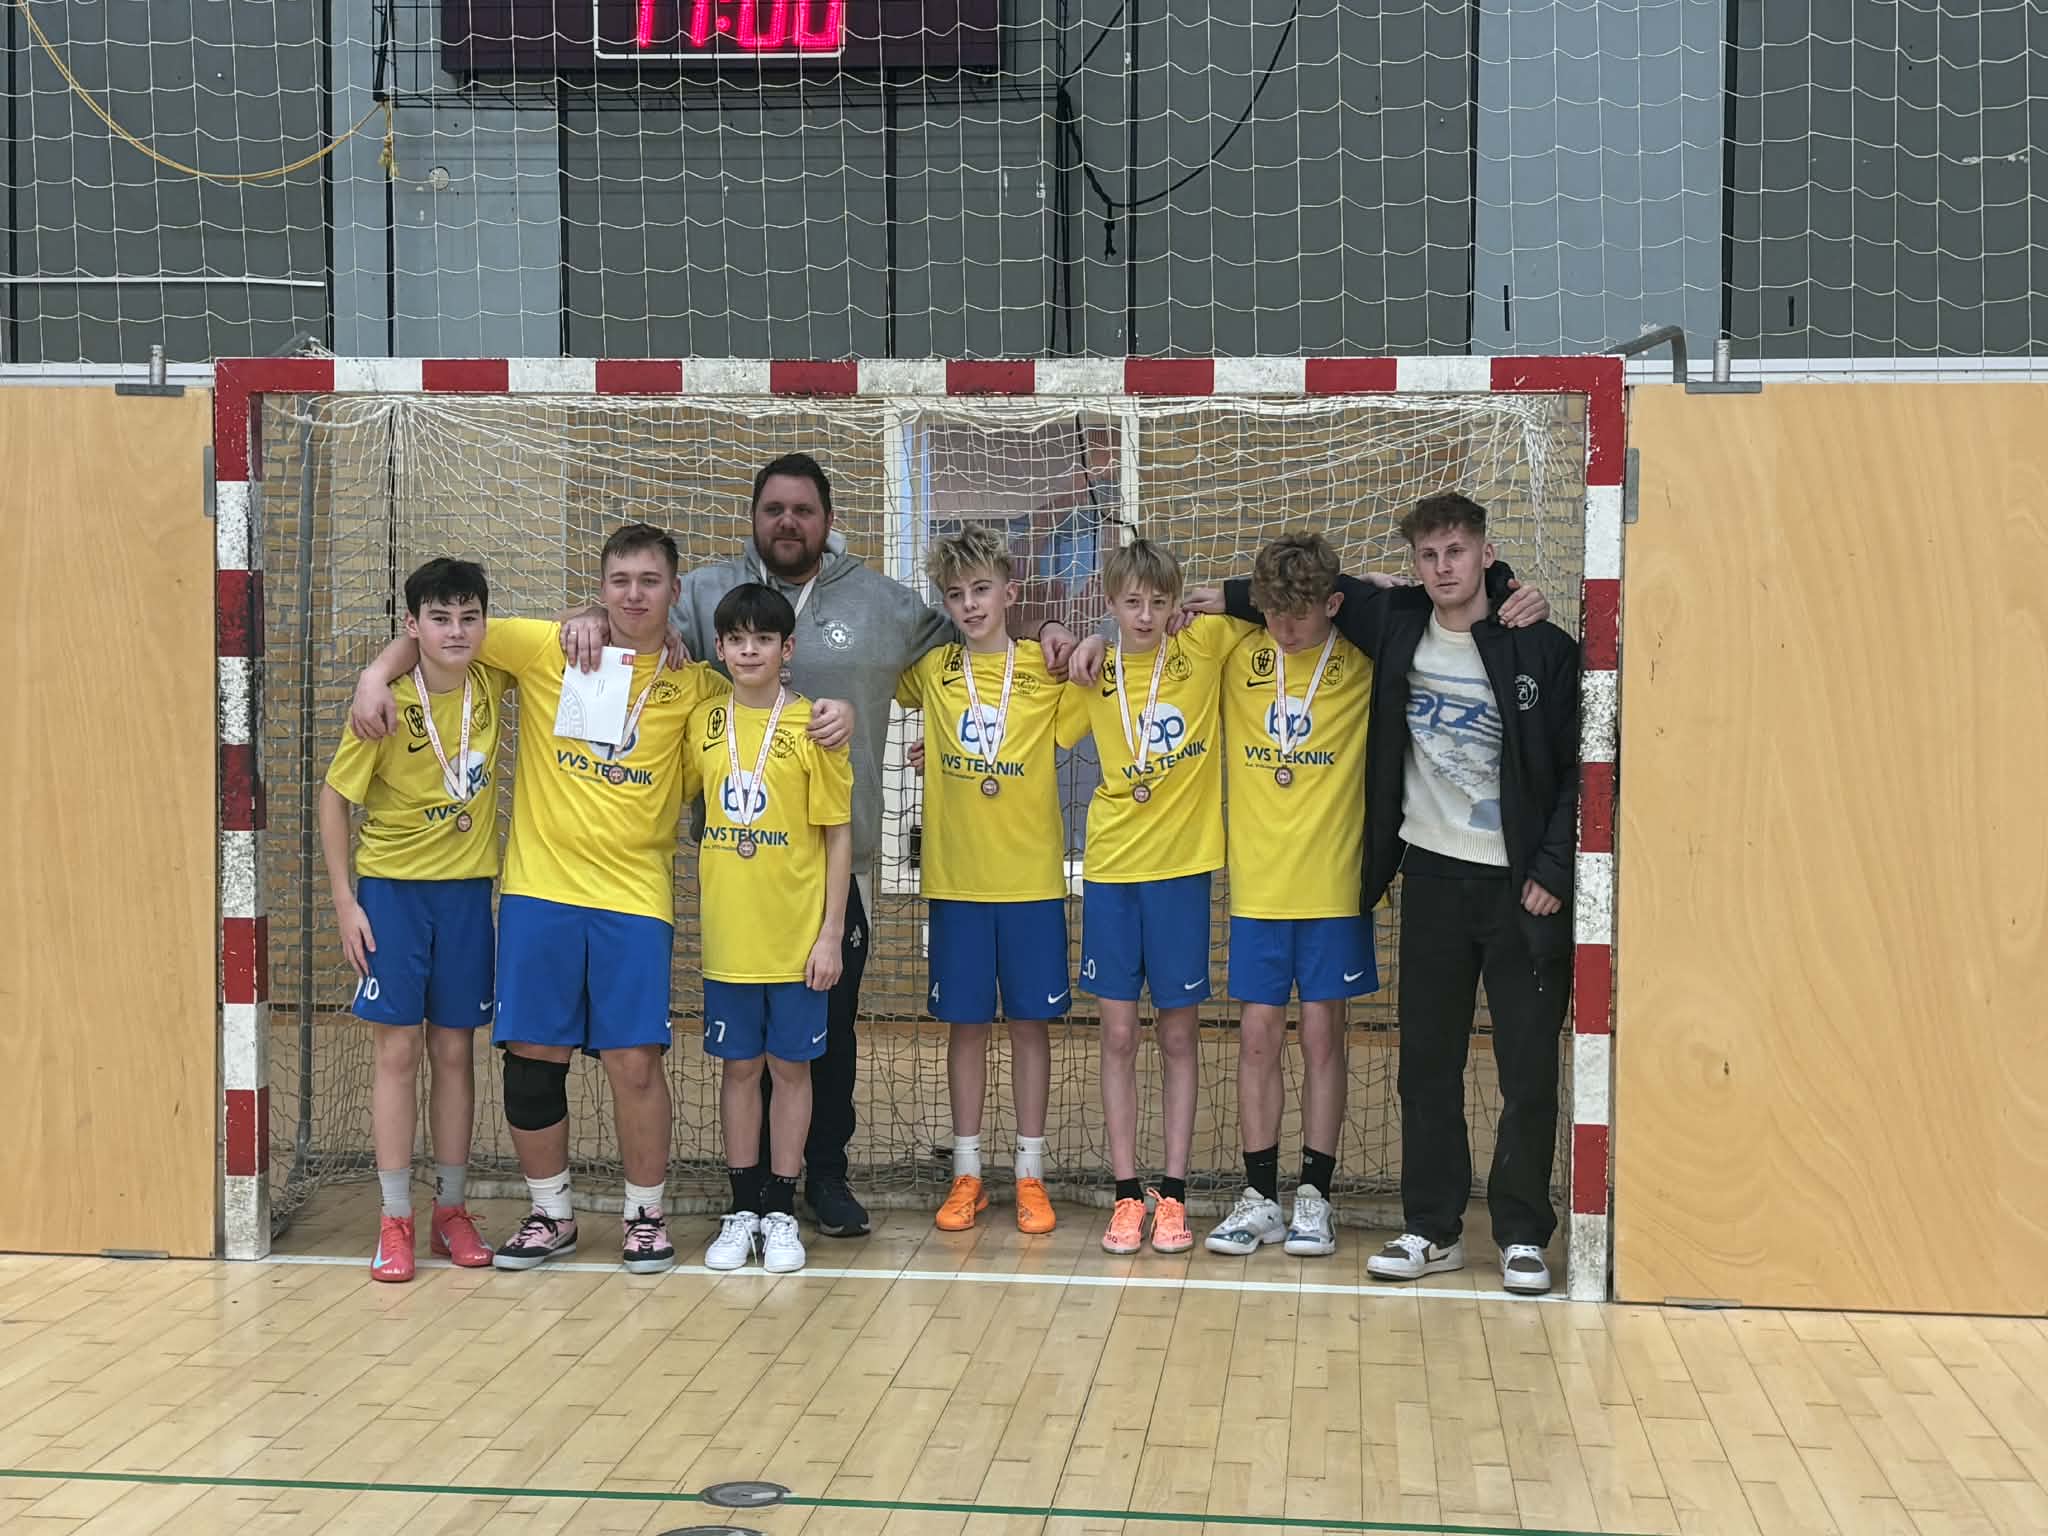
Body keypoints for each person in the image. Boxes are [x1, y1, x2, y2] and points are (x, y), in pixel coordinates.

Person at [564, 452, 1079, 1238]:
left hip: (845, 857)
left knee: (828, 1028)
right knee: (752, 1042)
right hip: (743, 861)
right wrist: (592, 617)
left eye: (802, 510)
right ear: (753, 517)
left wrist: (1049, 629)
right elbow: (638, 613)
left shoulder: (883, 601)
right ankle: (755, 1192)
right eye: (773, 509)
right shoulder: (704, 593)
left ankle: (824, 1177)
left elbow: (977, 631)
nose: (787, 523)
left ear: (829, 520)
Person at [347, 524, 830, 1274]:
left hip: (635, 899)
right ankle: (552, 1214)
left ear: (674, 592)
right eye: (619, 582)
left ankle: (645, 1216)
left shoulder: (698, 685)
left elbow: (768, 707)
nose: (634, 595)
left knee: (634, 1063)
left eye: (649, 581)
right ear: (599, 589)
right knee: (532, 1060)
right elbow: (444, 635)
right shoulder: (549, 647)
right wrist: (374, 676)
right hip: (539, 892)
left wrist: (839, 714)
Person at [1210, 493, 1579, 1295]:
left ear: (1486, 554)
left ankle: (1521, 1233)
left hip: (1522, 888)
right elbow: (1298, 592)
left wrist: (1553, 872)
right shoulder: (1397, 623)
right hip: (1432, 875)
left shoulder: (1542, 645)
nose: (1442, 568)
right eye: (1428, 555)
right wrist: (1201, 600)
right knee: (1427, 1067)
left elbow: (1575, 769)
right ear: (1414, 564)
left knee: (1525, 1069)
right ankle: (1433, 1229)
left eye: (1456, 551)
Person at [317, 558, 504, 1282]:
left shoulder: (493, 678)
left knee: (455, 1053)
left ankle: (450, 1210)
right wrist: (346, 901)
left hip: (466, 895)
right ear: (412, 626)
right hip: (392, 896)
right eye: (439, 618)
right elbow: (335, 799)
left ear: (484, 623)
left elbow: (568, 630)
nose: (455, 631)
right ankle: (393, 1218)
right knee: (397, 1053)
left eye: (468, 617)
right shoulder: (386, 703)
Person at [1054, 539, 1237, 1257]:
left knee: (1180, 1036)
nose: (1146, 615)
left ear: (1175, 602)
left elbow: (1279, 606)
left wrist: (1218, 601)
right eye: (1131, 602)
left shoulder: (1203, 646)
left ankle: (1175, 1193)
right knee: (1119, 1036)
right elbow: (1048, 723)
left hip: (1183, 872)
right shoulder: (1096, 670)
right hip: (1111, 871)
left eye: (1160, 602)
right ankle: (1127, 1193)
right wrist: (1074, 641)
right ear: (1110, 602)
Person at [1198, 533, 1378, 1262]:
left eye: (1299, 615)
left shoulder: (1363, 658)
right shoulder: (1239, 649)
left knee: (1323, 1037)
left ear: (1332, 604)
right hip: (1258, 889)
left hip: (1332, 886)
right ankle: (1259, 1196)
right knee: (1257, 1038)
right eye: (1271, 612)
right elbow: (1146, 631)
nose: (1284, 628)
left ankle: (1315, 1196)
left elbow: (1404, 600)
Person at [895, 527, 1078, 1236]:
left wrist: (1064, 632)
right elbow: (884, 677)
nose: (970, 605)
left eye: (981, 590)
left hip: (1030, 883)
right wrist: (934, 748)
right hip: (957, 883)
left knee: (1031, 1028)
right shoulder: (932, 669)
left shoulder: (1044, 666)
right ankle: (966, 1173)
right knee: (965, 1029)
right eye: (955, 594)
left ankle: (1031, 1175)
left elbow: (1087, 694)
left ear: (1009, 592)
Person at [687, 585, 853, 1276]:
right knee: (739, 1070)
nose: (748, 650)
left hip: (795, 939)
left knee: (791, 1070)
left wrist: (830, 934)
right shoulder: (702, 721)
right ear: (720, 648)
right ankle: (742, 1208)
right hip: (730, 938)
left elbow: (837, 836)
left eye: (763, 639)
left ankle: (782, 1209)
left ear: (788, 649)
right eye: (736, 639)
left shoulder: (815, 726)